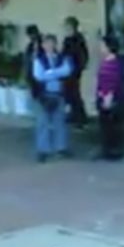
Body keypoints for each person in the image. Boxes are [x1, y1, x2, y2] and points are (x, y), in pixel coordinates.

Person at [32, 34, 74, 163]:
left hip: (59, 93)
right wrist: (57, 72)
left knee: (60, 122)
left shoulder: (62, 58)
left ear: (55, 45)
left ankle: (61, 147)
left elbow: (67, 71)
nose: (49, 46)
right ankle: (43, 150)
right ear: (43, 46)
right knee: (42, 123)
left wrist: (49, 73)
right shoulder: (38, 59)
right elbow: (38, 76)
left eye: (52, 43)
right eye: (47, 43)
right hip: (43, 94)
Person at [95, 35, 124, 161]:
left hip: (108, 97)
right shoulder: (107, 61)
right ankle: (108, 149)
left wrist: (108, 97)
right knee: (106, 124)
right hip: (103, 95)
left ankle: (111, 150)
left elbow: (113, 82)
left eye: (102, 45)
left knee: (109, 125)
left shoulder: (112, 63)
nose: (100, 48)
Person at [62, 17, 89, 129]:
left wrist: (80, 67)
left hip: (75, 69)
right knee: (68, 93)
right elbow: (64, 54)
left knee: (75, 93)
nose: (67, 29)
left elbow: (83, 55)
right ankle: (74, 115)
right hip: (67, 70)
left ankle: (80, 117)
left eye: (69, 27)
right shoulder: (67, 40)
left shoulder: (79, 39)